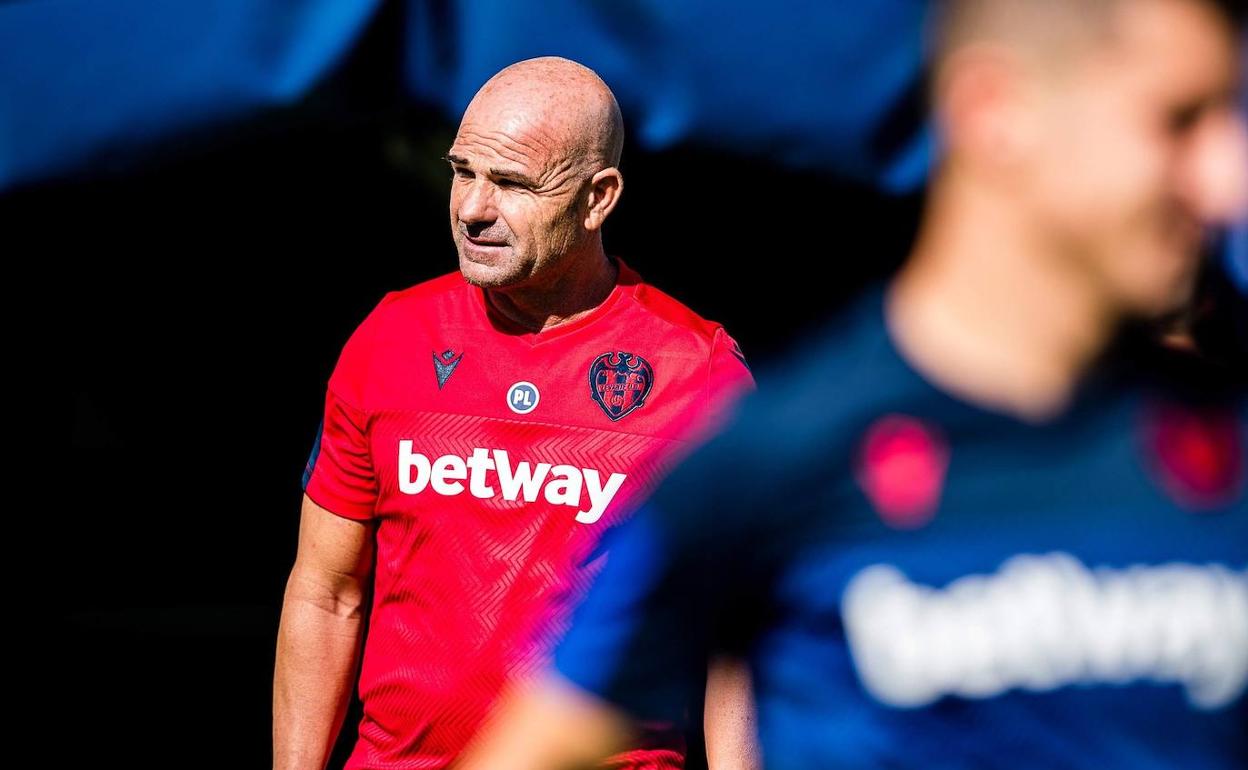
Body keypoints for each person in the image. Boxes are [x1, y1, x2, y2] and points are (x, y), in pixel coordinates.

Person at [457, 1, 1248, 768]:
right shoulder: (766, 460)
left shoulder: (1225, 451)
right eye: (1178, 121)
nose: (1228, 182)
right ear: (996, 110)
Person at [272, 57, 755, 769]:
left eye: (511, 184)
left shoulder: (699, 372)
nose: (471, 207)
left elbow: (734, 634)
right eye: (463, 171)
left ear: (598, 198)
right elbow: (325, 592)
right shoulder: (390, 339)